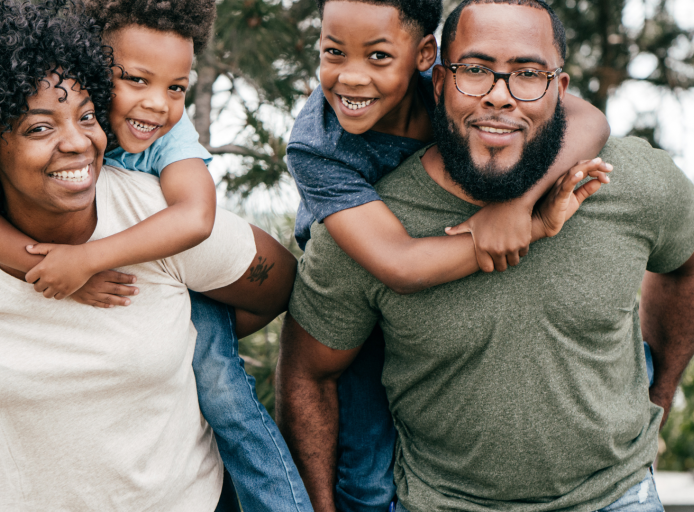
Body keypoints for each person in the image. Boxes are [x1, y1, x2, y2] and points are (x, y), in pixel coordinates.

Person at [277, 1, 694, 511]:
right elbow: (312, 369)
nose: (499, 95)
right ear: (439, 81)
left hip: (619, 496)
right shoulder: (349, 203)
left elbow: (686, 261)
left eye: (527, 74)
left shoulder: (629, 178)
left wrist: (660, 392)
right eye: (474, 70)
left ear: (559, 90)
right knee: (363, 470)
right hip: (437, 499)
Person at [0, 0, 311, 509]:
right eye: (40, 127)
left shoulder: (160, 173)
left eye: (177, 87)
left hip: (181, 484)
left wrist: (98, 267)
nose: (156, 104)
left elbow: (207, 229)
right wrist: (52, 270)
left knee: (228, 396)